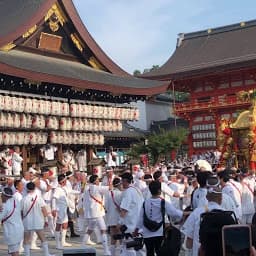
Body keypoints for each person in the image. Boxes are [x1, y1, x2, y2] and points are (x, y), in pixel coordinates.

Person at [135, 180, 185, 256]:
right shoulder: (163, 202)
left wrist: (136, 229)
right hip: (159, 232)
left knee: (149, 252)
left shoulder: (145, 203)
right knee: (160, 252)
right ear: (159, 190)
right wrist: (186, 213)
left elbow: (141, 218)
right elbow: (175, 213)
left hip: (147, 232)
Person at [21, 182, 54, 256]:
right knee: (42, 238)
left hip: (27, 221)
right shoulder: (39, 198)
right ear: (35, 188)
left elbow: (21, 212)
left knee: (26, 239)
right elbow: (44, 211)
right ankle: (46, 254)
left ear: (27, 189)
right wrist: (45, 220)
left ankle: (27, 254)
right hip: (38, 221)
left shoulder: (23, 199)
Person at [82, 174, 111, 256]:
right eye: (98, 180)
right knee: (103, 230)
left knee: (89, 230)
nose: (99, 181)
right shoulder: (97, 188)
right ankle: (106, 251)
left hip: (91, 214)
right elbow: (110, 187)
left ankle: (82, 246)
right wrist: (109, 178)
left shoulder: (87, 188)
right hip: (97, 213)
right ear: (95, 181)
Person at [118, 172, 144, 256]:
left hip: (130, 225)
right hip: (139, 224)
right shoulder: (137, 190)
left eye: (122, 181)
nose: (121, 183)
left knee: (129, 248)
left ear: (125, 181)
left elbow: (124, 209)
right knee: (138, 249)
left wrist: (119, 222)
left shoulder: (128, 192)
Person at [0, 187, 24, 256]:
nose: (1, 196)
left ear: (4, 196)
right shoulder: (16, 201)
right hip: (19, 229)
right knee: (14, 250)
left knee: (14, 252)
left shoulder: (4, 206)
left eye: (1, 195)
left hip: (12, 232)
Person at [52, 174, 72, 249]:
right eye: (65, 180)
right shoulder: (58, 189)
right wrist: (53, 209)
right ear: (63, 181)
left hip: (64, 209)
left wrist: (80, 191)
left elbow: (71, 191)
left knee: (65, 224)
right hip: (59, 209)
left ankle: (63, 242)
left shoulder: (64, 188)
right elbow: (54, 198)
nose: (66, 181)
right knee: (58, 225)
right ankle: (57, 244)